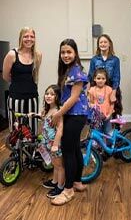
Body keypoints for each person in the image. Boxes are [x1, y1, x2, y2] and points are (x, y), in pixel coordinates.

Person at [51, 39, 89, 205]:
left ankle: (68, 191)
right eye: (63, 52)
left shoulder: (77, 72)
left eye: (69, 52)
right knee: (74, 149)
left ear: (75, 53)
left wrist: (57, 114)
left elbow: (74, 98)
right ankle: (78, 182)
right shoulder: (67, 71)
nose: (65, 55)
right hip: (71, 114)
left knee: (67, 151)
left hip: (76, 114)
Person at [2, 27, 42, 135]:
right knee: (16, 131)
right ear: (21, 38)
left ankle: (30, 152)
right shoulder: (12, 55)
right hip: (15, 98)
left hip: (32, 98)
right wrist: (19, 83)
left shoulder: (38, 55)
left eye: (32, 36)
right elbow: (6, 76)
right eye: (26, 36)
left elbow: (34, 75)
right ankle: (17, 152)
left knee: (31, 130)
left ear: (35, 39)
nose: (29, 39)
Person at [38, 85, 65, 199]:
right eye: (47, 93)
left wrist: (55, 145)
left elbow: (60, 129)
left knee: (59, 166)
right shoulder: (48, 110)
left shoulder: (57, 112)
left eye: (52, 94)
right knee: (55, 164)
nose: (48, 96)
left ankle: (60, 186)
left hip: (54, 144)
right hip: (47, 143)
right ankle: (54, 181)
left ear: (57, 97)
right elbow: (45, 121)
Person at [88, 34, 122, 117]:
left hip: (111, 89)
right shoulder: (94, 59)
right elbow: (90, 76)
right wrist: (89, 93)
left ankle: (114, 129)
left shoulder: (115, 60)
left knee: (113, 113)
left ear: (109, 44)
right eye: (101, 42)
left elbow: (116, 77)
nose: (103, 44)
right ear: (98, 45)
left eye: (105, 42)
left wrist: (113, 94)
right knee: (97, 112)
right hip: (97, 90)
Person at [88, 68, 114, 133]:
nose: (101, 80)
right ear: (94, 79)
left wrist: (109, 114)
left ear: (106, 79)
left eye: (103, 78)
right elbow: (90, 103)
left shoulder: (109, 89)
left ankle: (109, 143)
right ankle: (98, 143)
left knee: (108, 133)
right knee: (97, 134)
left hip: (107, 116)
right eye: (98, 78)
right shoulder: (92, 90)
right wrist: (93, 107)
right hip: (96, 118)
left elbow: (112, 103)